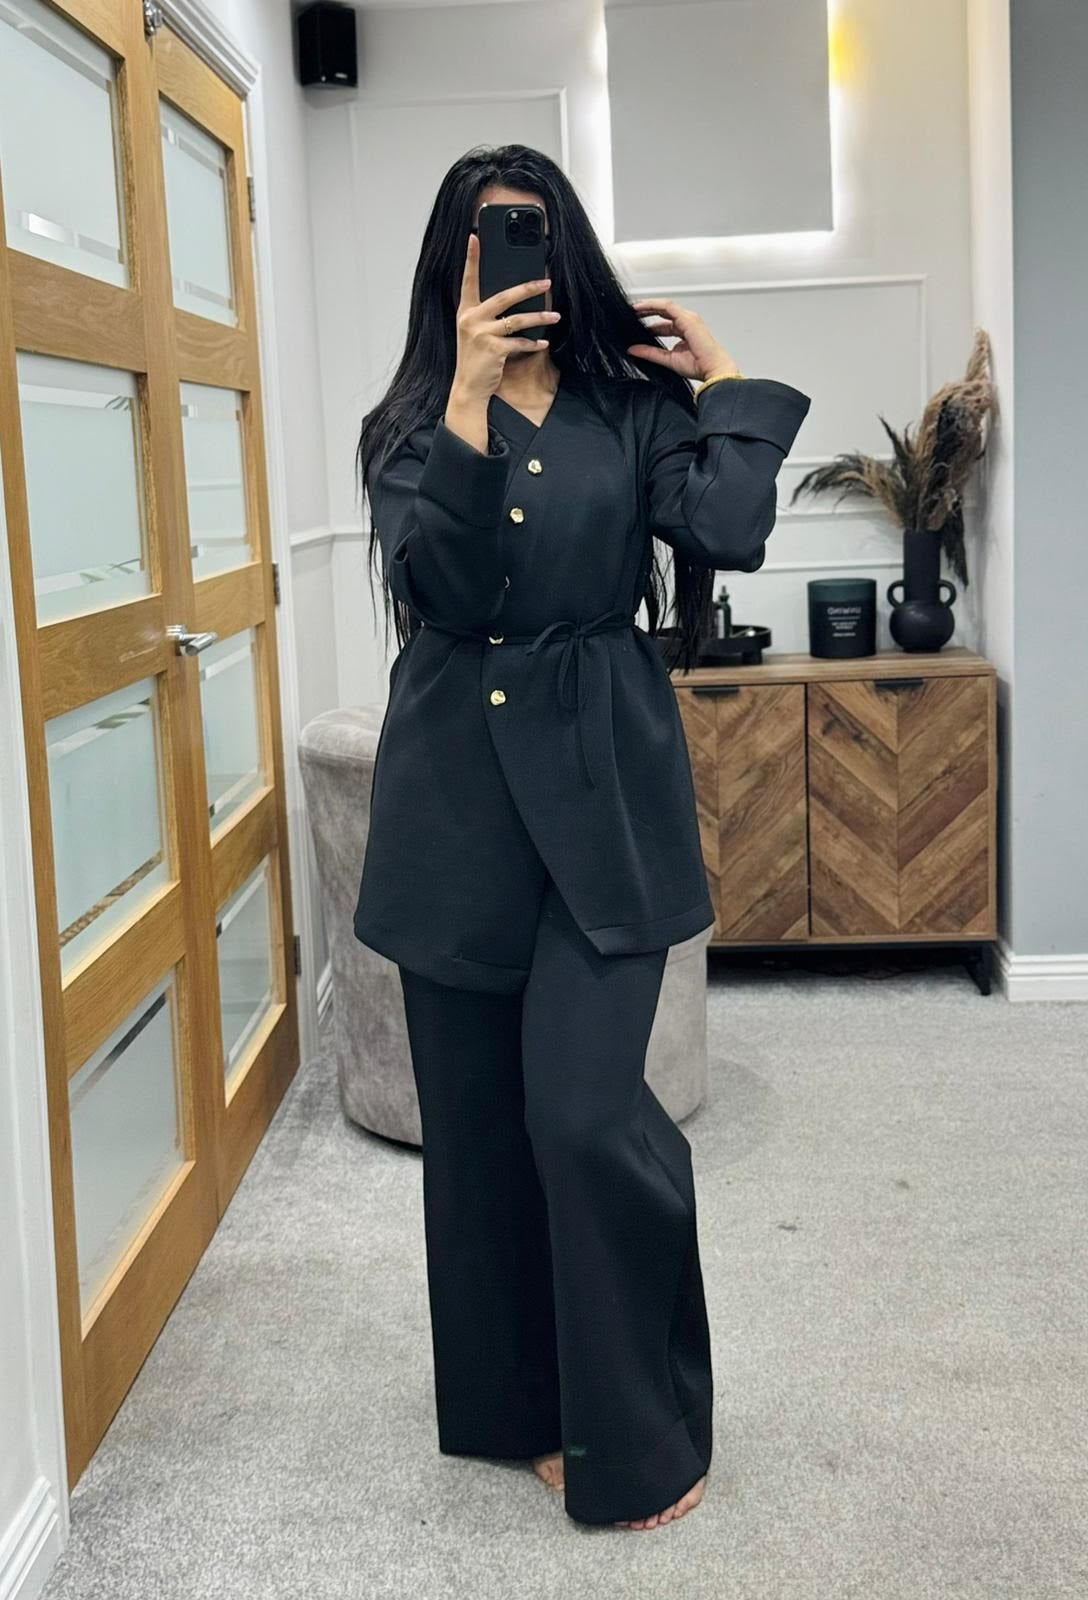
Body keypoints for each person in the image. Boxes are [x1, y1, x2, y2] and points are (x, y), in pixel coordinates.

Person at [353, 145, 811, 1530]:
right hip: (455, 806)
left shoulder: (631, 408)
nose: (516, 259)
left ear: (568, 254)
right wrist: (470, 399)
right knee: (479, 1133)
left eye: (537, 234)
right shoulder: (410, 425)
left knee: (583, 1112)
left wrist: (721, 381)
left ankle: (642, 1422)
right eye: (491, 238)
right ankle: (517, 1409)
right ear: (452, 264)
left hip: (604, 795)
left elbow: (730, 528)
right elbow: (443, 586)